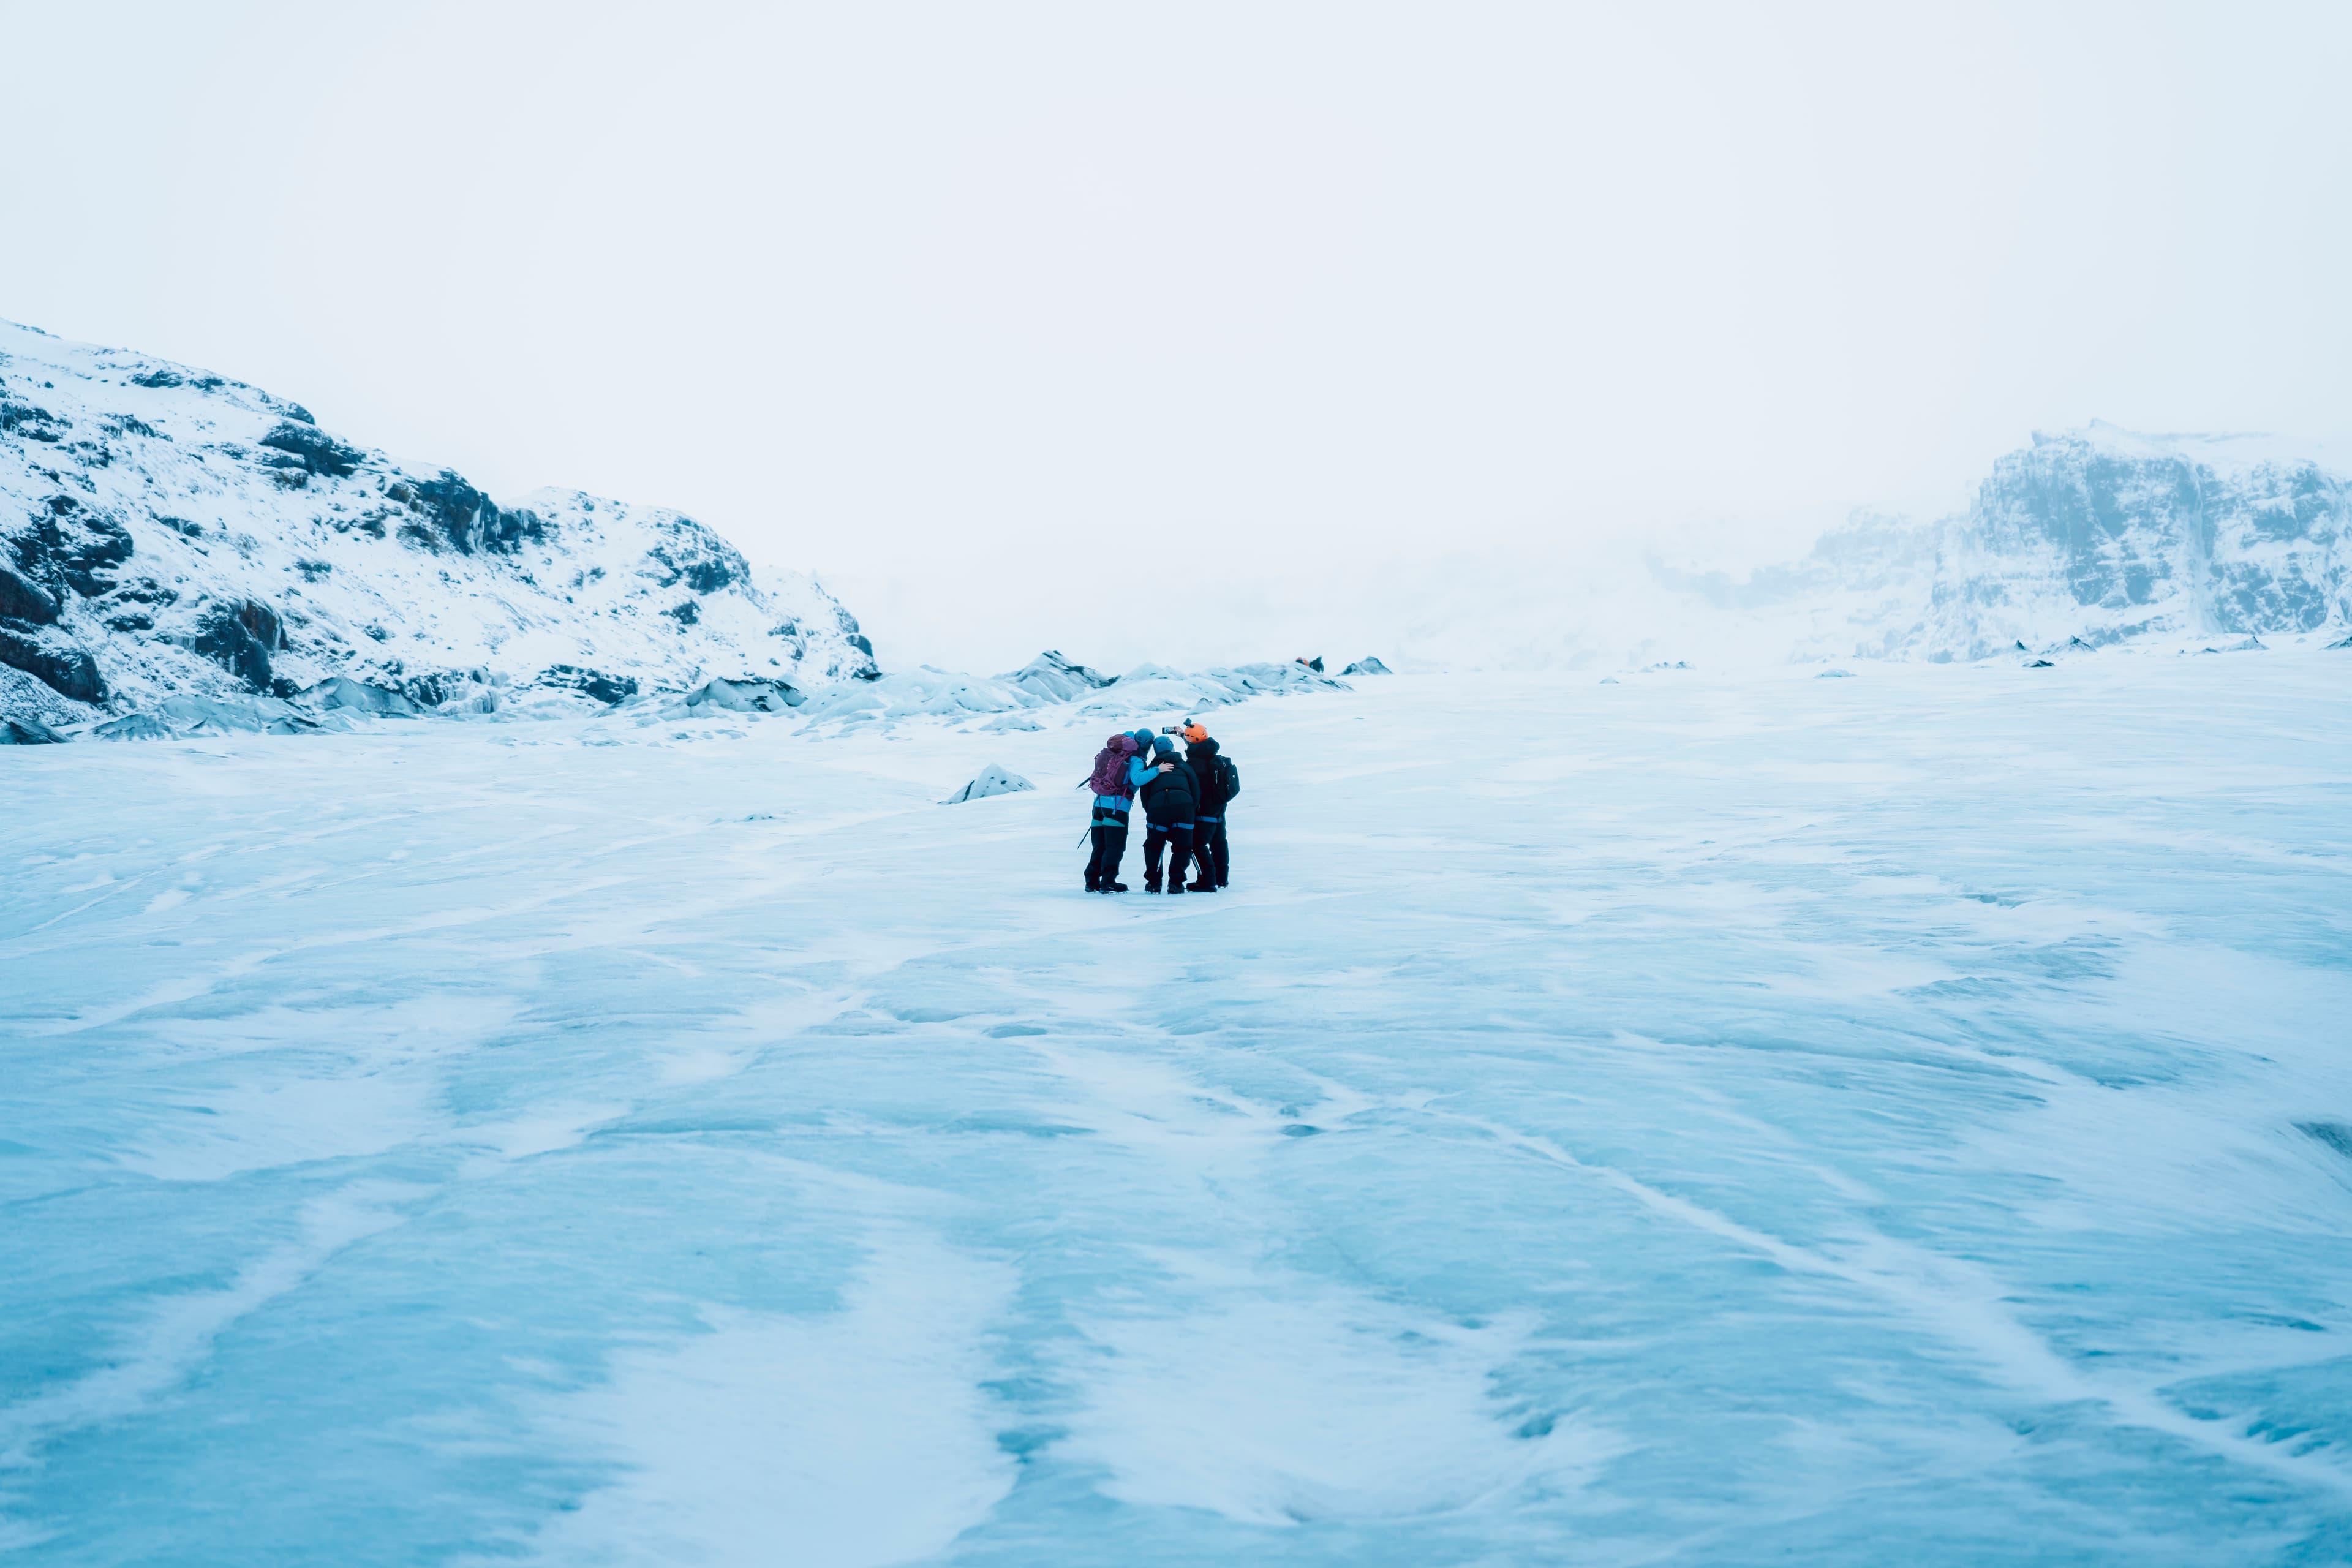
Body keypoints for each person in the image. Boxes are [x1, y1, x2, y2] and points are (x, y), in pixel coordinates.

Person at [1084, 728, 1170, 893]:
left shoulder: (1116, 754)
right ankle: (1108, 882)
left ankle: (1092, 881)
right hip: (1117, 808)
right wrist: (1157, 770)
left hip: (1099, 805)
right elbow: (1137, 779)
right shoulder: (1136, 759)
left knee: (1099, 846)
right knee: (1114, 846)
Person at [1136, 733, 1198, 894]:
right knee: (1182, 846)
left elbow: (1145, 794)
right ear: (1172, 747)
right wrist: (1191, 809)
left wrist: (1151, 811)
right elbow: (1195, 790)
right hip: (1184, 807)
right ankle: (1176, 883)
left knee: (1154, 845)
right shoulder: (1184, 766)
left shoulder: (1152, 768)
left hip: (1158, 808)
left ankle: (1154, 883)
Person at [1182, 722, 1235, 891]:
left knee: (1198, 844)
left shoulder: (1194, 764)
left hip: (1204, 811)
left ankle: (1207, 881)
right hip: (1219, 809)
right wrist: (1183, 736)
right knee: (1219, 843)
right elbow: (1198, 745)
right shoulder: (1212, 753)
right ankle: (1222, 879)